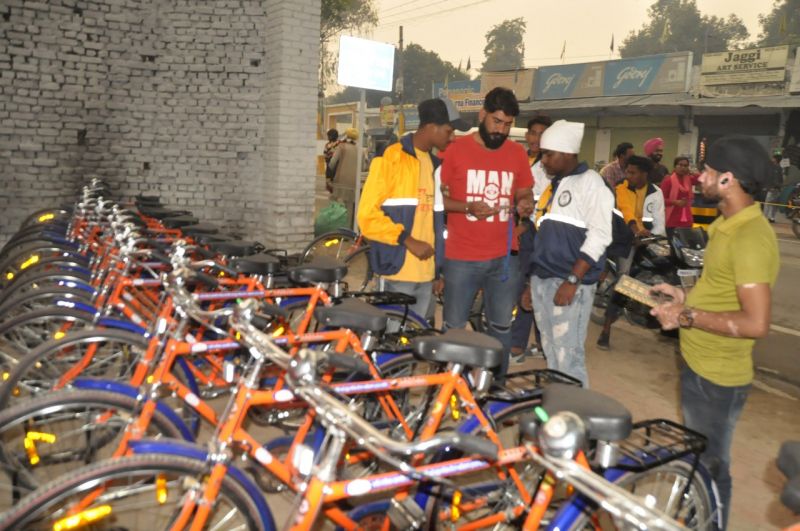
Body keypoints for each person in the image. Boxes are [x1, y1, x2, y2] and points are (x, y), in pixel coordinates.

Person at [650, 136, 780, 529]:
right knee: (699, 464)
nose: (697, 178)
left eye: (706, 172)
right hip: (700, 365)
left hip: (718, 378)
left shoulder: (750, 237)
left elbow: (755, 323)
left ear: (728, 180)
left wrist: (685, 316)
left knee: (709, 471)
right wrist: (682, 295)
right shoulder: (727, 224)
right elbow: (721, 291)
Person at [439, 87, 534, 376]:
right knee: (454, 326)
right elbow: (441, 200)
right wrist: (467, 207)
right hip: (461, 258)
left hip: (504, 259)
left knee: (501, 327)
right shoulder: (455, 150)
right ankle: (449, 387)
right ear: (482, 115)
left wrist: (524, 203)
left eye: (507, 125)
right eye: (496, 121)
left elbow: (524, 191)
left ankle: (494, 387)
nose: (501, 130)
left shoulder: (517, 153)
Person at [357, 98, 469, 321]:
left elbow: (435, 223)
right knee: (391, 345)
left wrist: (438, 272)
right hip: (396, 272)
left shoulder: (435, 167)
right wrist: (407, 240)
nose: (453, 137)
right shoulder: (390, 158)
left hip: (427, 277)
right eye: (449, 131)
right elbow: (367, 216)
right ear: (431, 127)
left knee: (417, 344)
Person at [531, 119, 614, 386]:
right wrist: (531, 281)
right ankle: (560, 411)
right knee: (552, 350)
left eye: (548, 154)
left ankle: (575, 418)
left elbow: (601, 235)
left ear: (567, 153)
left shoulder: (592, 184)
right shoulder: (554, 185)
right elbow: (543, 236)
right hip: (543, 280)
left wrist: (573, 280)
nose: (542, 160)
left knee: (569, 357)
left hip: (569, 283)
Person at [596, 155, 665, 350]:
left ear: (645, 174)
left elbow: (660, 222)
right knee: (623, 281)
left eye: (632, 173)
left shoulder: (656, 193)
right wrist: (637, 231)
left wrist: (656, 239)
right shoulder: (621, 187)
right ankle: (606, 330)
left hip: (644, 241)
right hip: (622, 241)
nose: (628, 176)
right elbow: (627, 211)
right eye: (627, 171)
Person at [510, 115, 553, 363]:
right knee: (526, 287)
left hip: (535, 233)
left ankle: (518, 346)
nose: (537, 138)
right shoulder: (518, 158)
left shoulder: (548, 166)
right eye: (533, 133)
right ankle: (540, 343)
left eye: (542, 134)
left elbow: (543, 205)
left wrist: (525, 226)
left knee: (530, 286)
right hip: (514, 230)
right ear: (526, 135)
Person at [329, 128, 362, 225]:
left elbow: (332, 163)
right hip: (354, 183)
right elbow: (363, 166)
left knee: (335, 204)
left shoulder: (341, 147)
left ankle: (335, 228)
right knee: (350, 207)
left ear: (346, 136)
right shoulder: (360, 150)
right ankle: (347, 233)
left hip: (340, 181)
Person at [660, 156, 695, 234]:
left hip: (687, 222)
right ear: (675, 166)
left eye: (685, 166)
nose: (683, 168)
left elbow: (700, 178)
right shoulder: (668, 181)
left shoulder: (689, 179)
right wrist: (675, 202)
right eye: (680, 165)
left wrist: (692, 171)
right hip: (672, 221)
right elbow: (660, 200)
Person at [763, 151, 784, 223]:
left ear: (775, 159)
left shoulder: (774, 167)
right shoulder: (780, 168)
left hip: (773, 189)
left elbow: (774, 179)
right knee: (774, 205)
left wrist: (770, 187)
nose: (771, 159)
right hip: (777, 189)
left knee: (767, 204)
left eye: (773, 158)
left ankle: (765, 218)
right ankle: (772, 218)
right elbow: (781, 179)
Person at [324, 128, 340, 193]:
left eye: (328, 136)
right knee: (335, 185)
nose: (328, 137)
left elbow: (325, 155)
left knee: (331, 185)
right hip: (336, 166)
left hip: (331, 167)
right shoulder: (340, 144)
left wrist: (328, 156)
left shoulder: (328, 145)